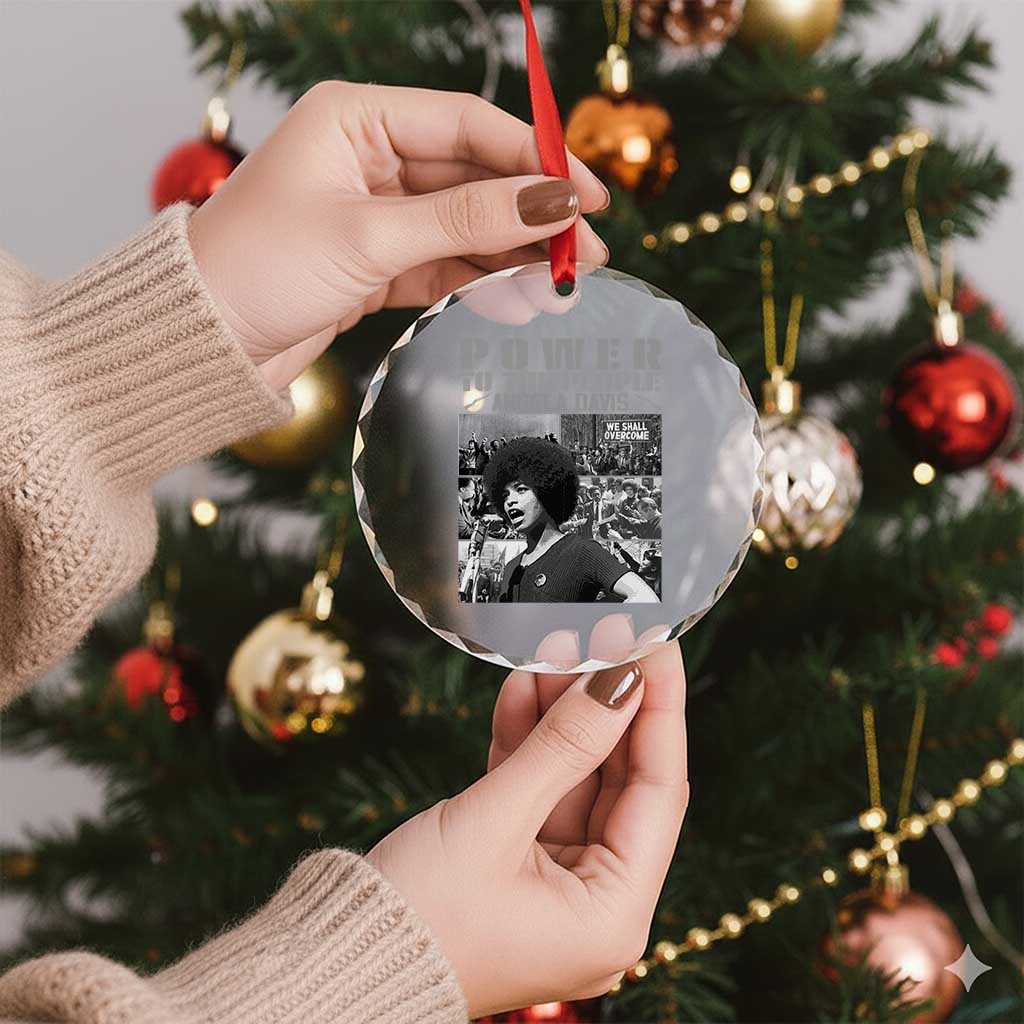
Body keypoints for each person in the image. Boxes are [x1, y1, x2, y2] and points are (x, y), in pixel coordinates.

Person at [0, 81, 688, 1023]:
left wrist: (120, 358)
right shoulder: (516, 564)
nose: (504, 505)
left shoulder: (597, 567)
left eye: (520, 494)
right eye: (502, 494)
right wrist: (375, 974)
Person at [483, 438, 659, 603]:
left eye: (521, 489)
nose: (509, 501)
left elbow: (645, 598)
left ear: (547, 490)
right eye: (504, 495)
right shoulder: (511, 568)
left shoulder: (583, 551)